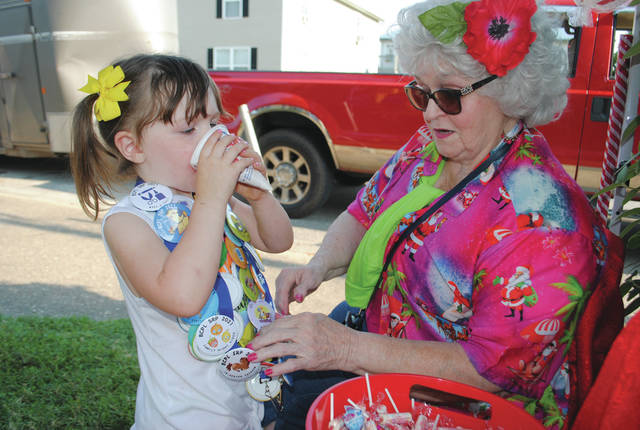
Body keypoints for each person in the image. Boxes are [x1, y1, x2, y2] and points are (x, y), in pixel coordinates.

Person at [249, 1, 612, 428]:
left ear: (509, 90)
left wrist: (344, 348)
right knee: (271, 393)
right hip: (376, 341)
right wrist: (318, 266)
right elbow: (363, 212)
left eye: (449, 95)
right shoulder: (431, 144)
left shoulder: (545, 223)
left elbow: (491, 370)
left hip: (465, 406)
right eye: (421, 92)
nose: (429, 112)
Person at [70, 54, 293, 429]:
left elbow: (279, 240)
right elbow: (183, 296)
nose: (210, 138)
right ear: (133, 147)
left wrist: (259, 197)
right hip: (188, 414)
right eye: (189, 129)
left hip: (252, 389)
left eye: (213, 121)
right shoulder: (127, 222)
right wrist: (211, 198)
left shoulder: (213, 197)